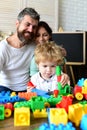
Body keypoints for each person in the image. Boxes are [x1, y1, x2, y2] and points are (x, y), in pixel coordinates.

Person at [0, 7, 40, 92]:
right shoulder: (3, 48)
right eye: (27, 24)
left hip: (28, 89)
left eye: (34, 27)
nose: (30, 30)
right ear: (17, 23)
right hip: (5, 89)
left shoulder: (34, 46)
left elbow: (51, 56)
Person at [30, 21, 68, 85]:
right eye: (37, 35)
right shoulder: (34, 58)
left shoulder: (57, 52)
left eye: (45, 35)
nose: (41, 39)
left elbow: (64, 72)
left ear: (50, 35)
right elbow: (33, 82)